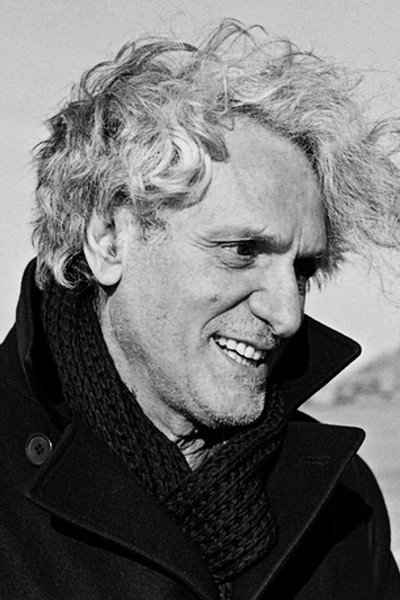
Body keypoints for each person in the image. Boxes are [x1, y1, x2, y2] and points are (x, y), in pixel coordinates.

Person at [0, 19, 399, 600]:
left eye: (302, 269)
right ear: (109, 239)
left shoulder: (343, 502)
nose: (287, 314)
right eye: (241, 251)